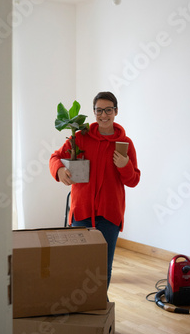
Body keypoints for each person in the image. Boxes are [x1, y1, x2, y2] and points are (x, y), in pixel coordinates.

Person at [49, 91, 140, 288]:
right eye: (99, 110)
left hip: (109, 215)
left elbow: (133, 181)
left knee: (102, 267)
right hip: (81, 213)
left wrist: (125, 164)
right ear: (94, 112)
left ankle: (99, 307)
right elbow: (55, 158)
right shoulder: (80, 138)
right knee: (79, 265)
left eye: (108, 110)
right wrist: (60, 170)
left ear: (116, 111)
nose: (103, 115)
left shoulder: (125, 144)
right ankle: (80, 308)